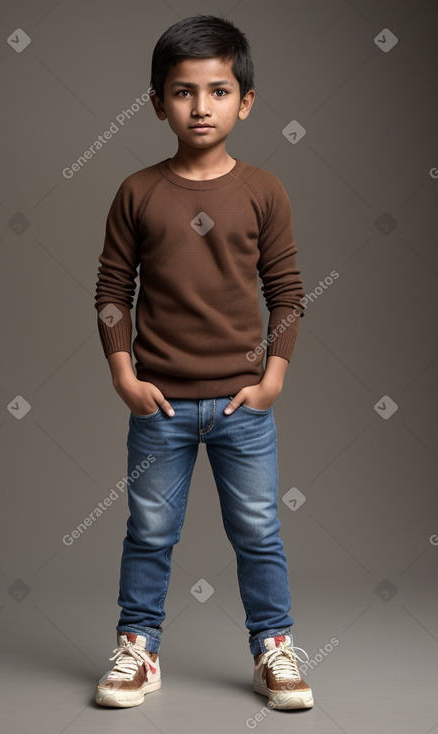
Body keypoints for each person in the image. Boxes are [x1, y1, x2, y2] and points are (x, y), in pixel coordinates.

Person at [93, 14, 314, 711]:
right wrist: (123, 374)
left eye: (217, 91)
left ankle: (272, 649)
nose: (200, 106)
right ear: (157, 102)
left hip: (239, 407)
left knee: (257, 531)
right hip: (158, 404)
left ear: (244, 101)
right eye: (183, 92)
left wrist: (272, 376)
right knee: (150, 532)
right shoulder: (137, 191)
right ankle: (138, 649)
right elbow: (109, 293)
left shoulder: (263, 190)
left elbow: (286, 295)